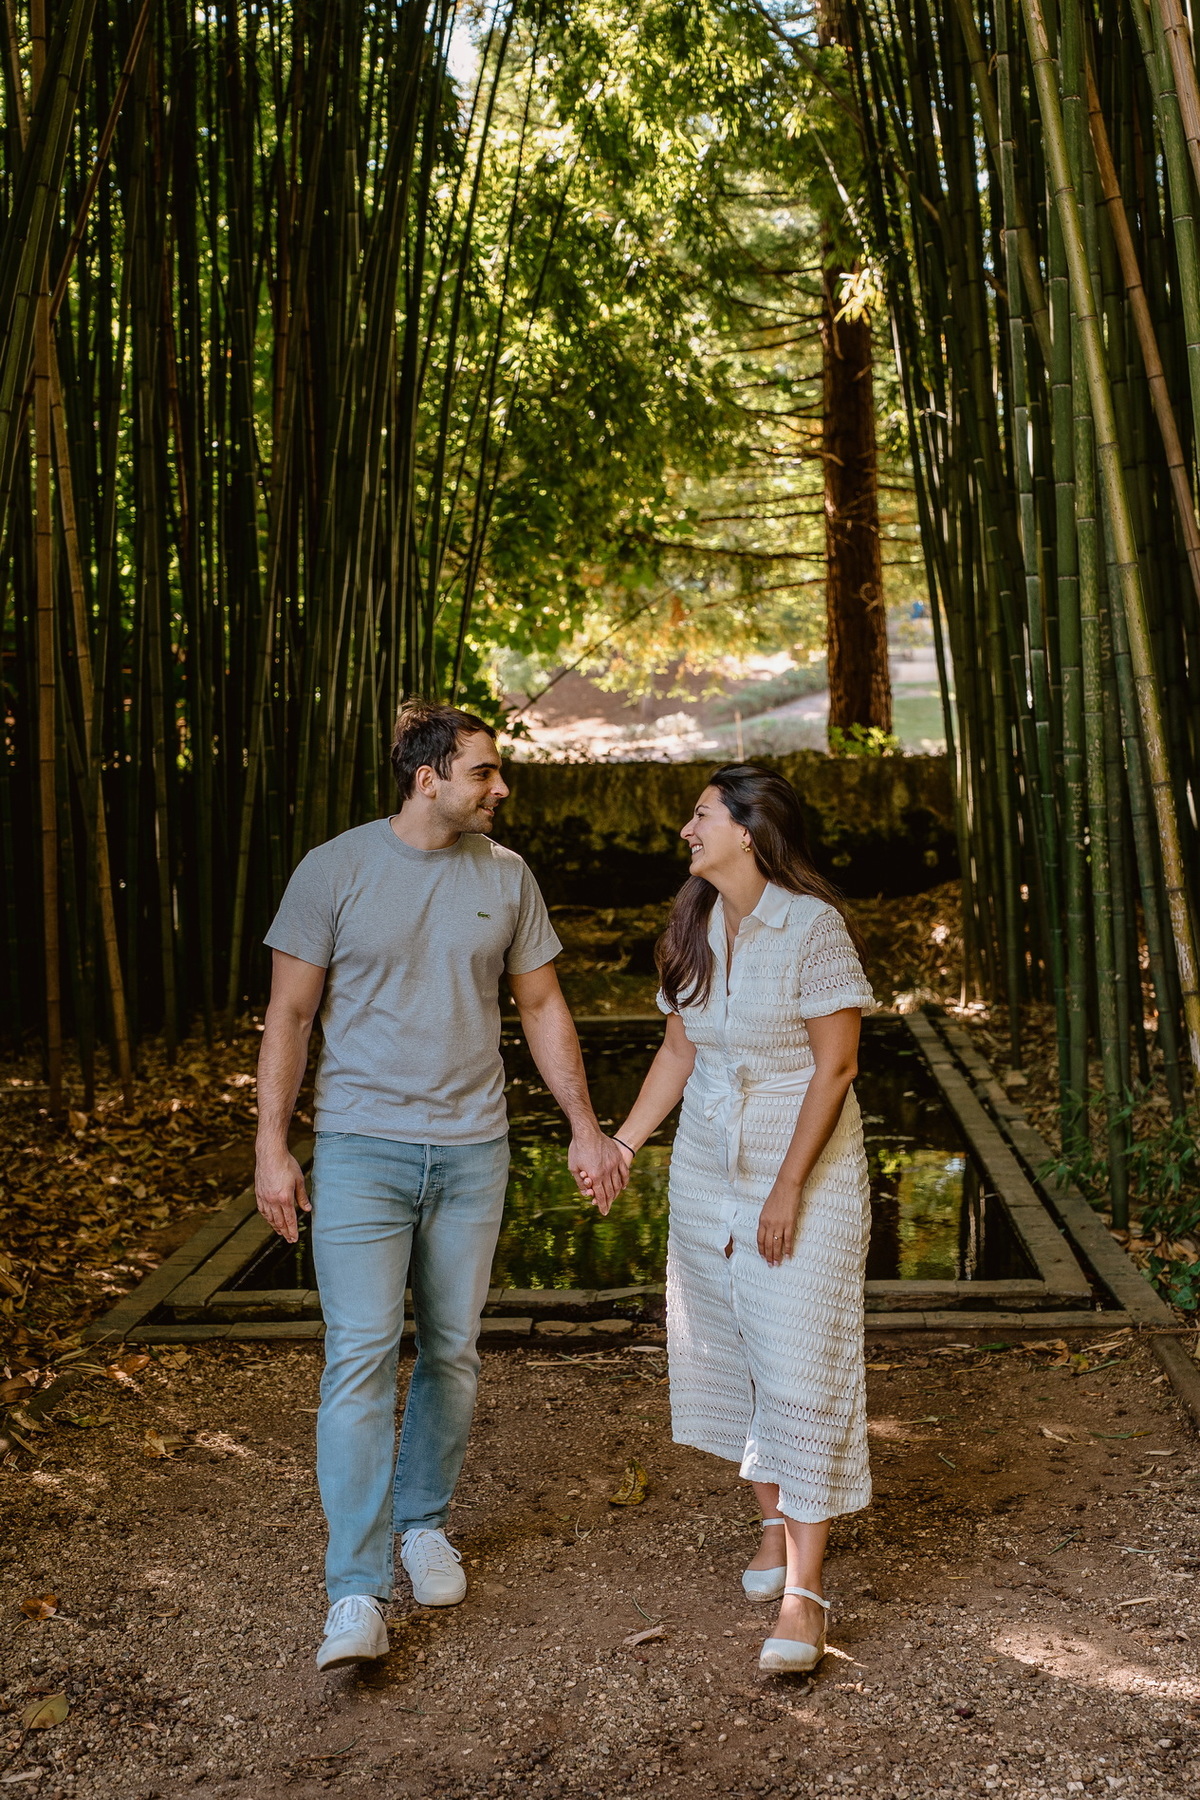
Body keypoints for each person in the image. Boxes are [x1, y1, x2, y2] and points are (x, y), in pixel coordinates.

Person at [254, 700, 627, 1672]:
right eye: (484, 771)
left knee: (453, 1352)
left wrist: (585, 1127)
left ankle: (422, 1524)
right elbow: (290, 1016)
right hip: (361, 1148)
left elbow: (541, 1003)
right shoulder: (333, 870)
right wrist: (271, 1147)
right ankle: (354, 1591)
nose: (501, 787)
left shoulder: (507, 876)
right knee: (361, 1357)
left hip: (473, 1150)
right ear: (429, 778)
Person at [610, 763, 875, 1675]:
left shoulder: (813, 928)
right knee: (731, 1348)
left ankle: (806, 1597)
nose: (686, 831)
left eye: (700, 816)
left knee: (799, 1360)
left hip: (801, 1169)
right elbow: (679, 1051)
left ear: (749, 832)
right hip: (706, 1171)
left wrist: (787, 1186)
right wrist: (625, 1143)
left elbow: (836, 1068)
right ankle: (771, 1527)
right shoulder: (693, 923)